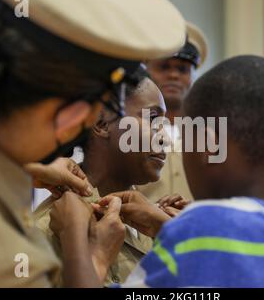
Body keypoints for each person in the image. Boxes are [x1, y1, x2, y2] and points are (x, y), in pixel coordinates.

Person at [0, 0, 185, 287]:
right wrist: (94, 262)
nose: (163, 138)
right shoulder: (5, 254)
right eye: (152, 120)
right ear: (84, 119)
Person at [53, 55, 264, 287]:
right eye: (153, 120)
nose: (168, 138)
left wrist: (81, 245)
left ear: (209, 145)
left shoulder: (199, 228)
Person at [34, 67, 180, 286]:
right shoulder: (47, 232)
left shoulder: (153, 226)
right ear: (102, 123)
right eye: (152, 119)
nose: (165, 139)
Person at [138, 22, 209, 203]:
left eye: (183, 69)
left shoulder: (212, 133)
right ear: (145, 70)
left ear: (193, 76)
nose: (174, 75)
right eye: (164, 67)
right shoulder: (129, 128)